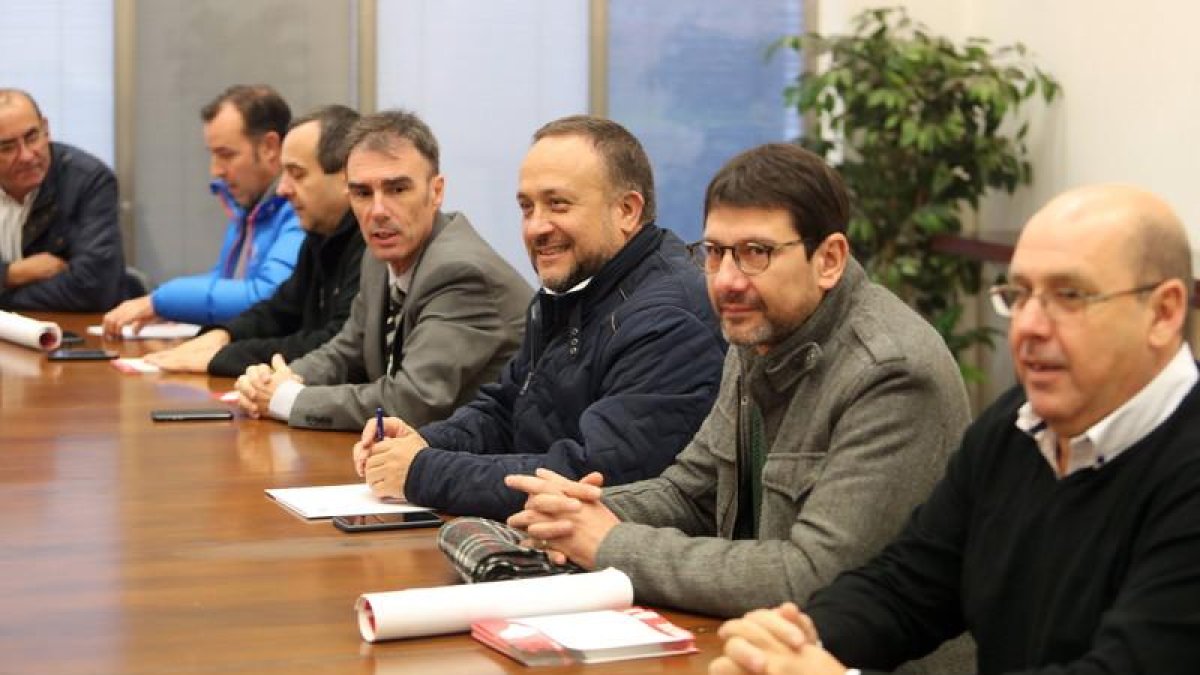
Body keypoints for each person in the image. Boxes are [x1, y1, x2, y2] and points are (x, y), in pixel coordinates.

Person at [503, 144, 970, 669]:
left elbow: (810, 576)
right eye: (716, 252)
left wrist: (611, 543)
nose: (726, 280)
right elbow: (691, 490)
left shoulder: (890, 372)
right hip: (749, 646)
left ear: (830, 259)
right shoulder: (761, 330)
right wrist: (578, 514)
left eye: (756, 252)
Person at [709, 184, 1200, 675]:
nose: (1028, 326)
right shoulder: (1017, 426)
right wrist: (797, 641)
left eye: (1069, 296)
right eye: (1020, 294)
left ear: (1163, 313)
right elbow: (907, 585)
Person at [351, 115, 726, 522]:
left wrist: (422, 470)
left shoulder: (670, 320)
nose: (535, 227)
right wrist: (421, 441)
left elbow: (593, 476)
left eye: (558, 204)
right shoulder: (575, 288)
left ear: (627, 211)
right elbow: (506, 409)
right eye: (527, 207)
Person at [234, 109, 531, 432]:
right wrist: (279, 378)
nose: (377, 211)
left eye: (397, 189)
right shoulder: (379, 257)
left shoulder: (462, 272)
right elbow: (344, 351)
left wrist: (286, 399)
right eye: (362, 193)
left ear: (436, 191)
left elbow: (411, 401)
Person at [144, 105, 365, 376]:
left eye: (297, 174)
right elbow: (279, 311)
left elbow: (335, 346)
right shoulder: (320, 235)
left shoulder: (370, 244)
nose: (283, 189)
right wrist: (223, 335)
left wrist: (223, 357)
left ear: (347, 177)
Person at [102, 84, 304, 332]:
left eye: (226, 155)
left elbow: (267, 296)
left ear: (270, 147)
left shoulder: (300, 210)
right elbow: (224, 280)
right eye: (213, 154)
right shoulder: (249, 207)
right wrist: (173, 307)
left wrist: (162, 301)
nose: (215, 170)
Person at [0, 88, 126, 311]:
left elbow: (93, 287)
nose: (27, 156)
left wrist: (5, 297)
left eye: (32, 137)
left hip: (72, 332)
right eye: (8, 147)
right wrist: (11, 274)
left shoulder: (88, 181)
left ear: (46, 129)